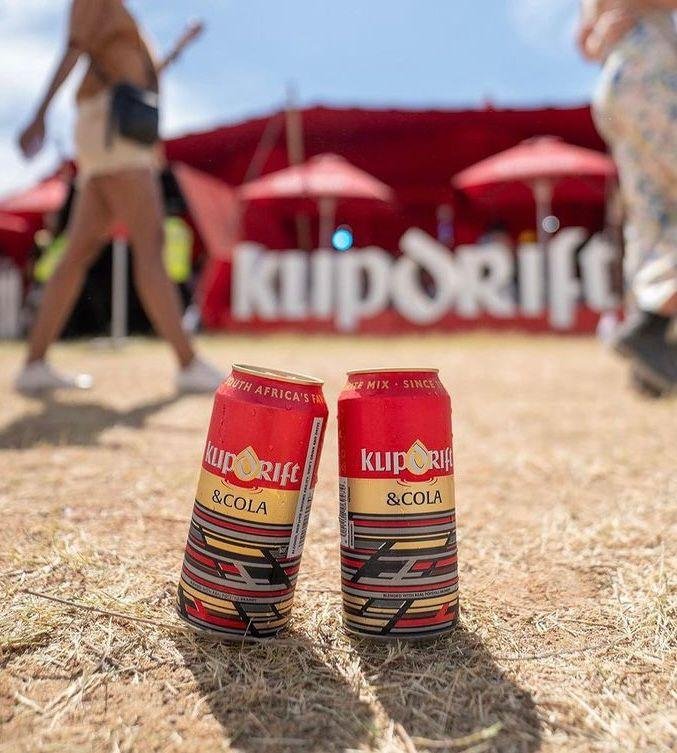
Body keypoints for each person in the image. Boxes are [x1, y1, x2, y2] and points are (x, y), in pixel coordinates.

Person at [14, 0, 223, 393]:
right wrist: (39, 115)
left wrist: (179, 47)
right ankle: (188, 362)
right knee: (150, 244)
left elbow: (142, 76)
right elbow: (73, 49)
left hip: (113, 131)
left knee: (77, 254)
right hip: (113, 133)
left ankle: (34, 365)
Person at [577, 0, 677, 394]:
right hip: (653, 76)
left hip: (618, 81)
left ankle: (652, 351)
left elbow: (584, 40)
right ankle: (651, 327)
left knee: (652, 214)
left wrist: (604, 28)